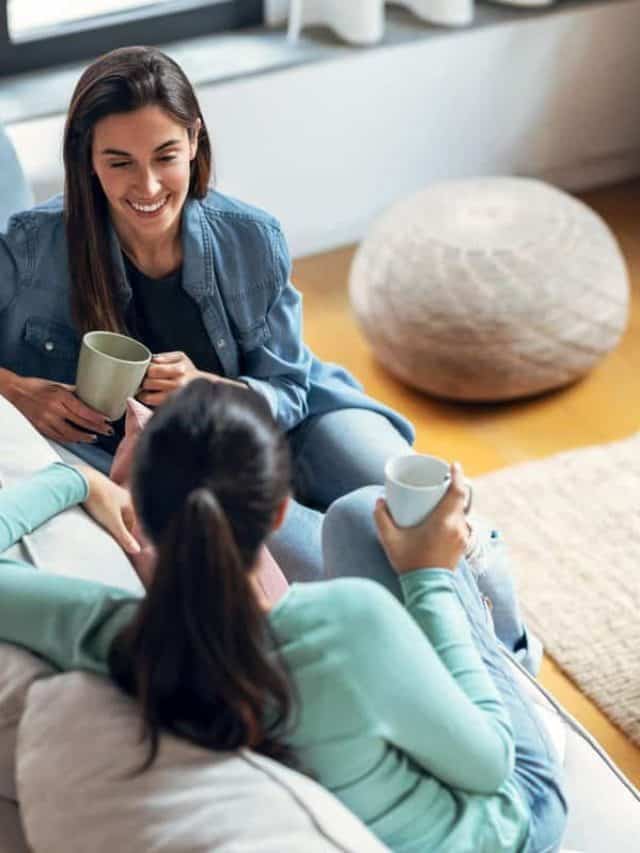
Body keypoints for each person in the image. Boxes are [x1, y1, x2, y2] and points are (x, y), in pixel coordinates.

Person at [0, 380, 566, 852]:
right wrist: (430, 578)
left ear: (141, 513)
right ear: (276, 516)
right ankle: (509, 645)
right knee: (367, 522)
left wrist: (74, 478)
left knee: (355, 517)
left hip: (380, 780)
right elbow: (493, 766)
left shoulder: (110, 633)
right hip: (509, 822)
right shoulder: (346, 627)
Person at [0, 44, 413, 584]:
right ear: (87, 158)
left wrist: (207, 390)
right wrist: (16, 391)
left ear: (194, 140)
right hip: (182, 471)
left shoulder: (252, 237)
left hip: (298, 417)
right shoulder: (33, 246)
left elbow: (289, 387)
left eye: (165, 156)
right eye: (119, 162)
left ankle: (501, 642)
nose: (146, 187)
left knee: (415, 499)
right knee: (348, 566)